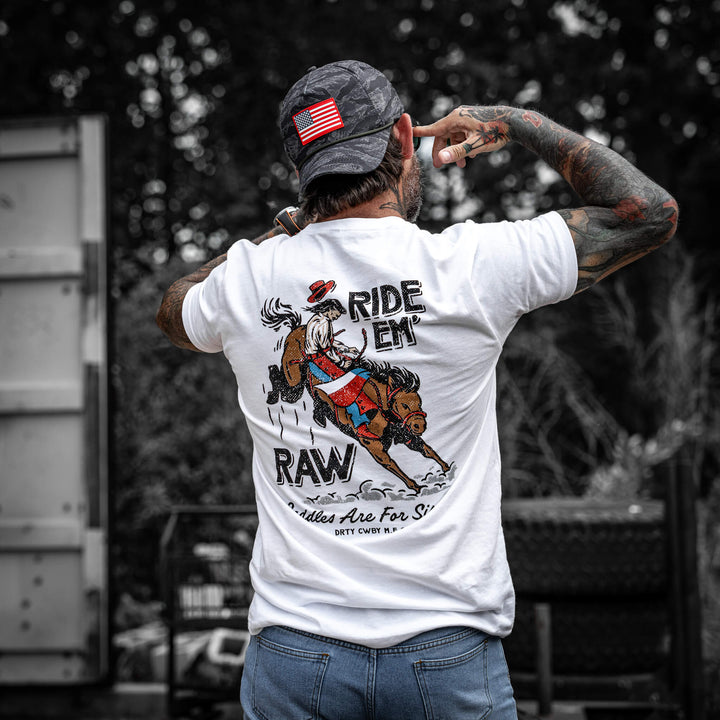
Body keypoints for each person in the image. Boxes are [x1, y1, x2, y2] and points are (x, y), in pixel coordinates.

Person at [156, 60, 678, 719]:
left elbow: (174, 308)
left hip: (296, 655)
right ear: (405, 137)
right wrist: (514, 122)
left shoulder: (244, 280)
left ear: (302, 170)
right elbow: (649, 213)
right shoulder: (472, 264)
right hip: (446, 654)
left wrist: (279, 233)